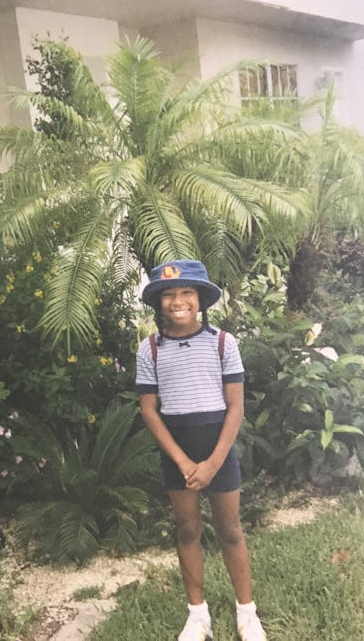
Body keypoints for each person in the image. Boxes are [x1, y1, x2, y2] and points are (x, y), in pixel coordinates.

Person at [136, 259, 266, 641]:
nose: (179, 301)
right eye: (169, 294)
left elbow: (236, 407)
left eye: (187, 293)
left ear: (200, 299)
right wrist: (182, 461)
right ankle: (198, 616)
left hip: (217, 447)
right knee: (188, 529)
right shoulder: (150, 350)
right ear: (160, 303)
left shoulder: (223, 343)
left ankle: (247, 613)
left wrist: (211, 463)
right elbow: (148, 409)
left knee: (229, 530)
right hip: (176, 448)